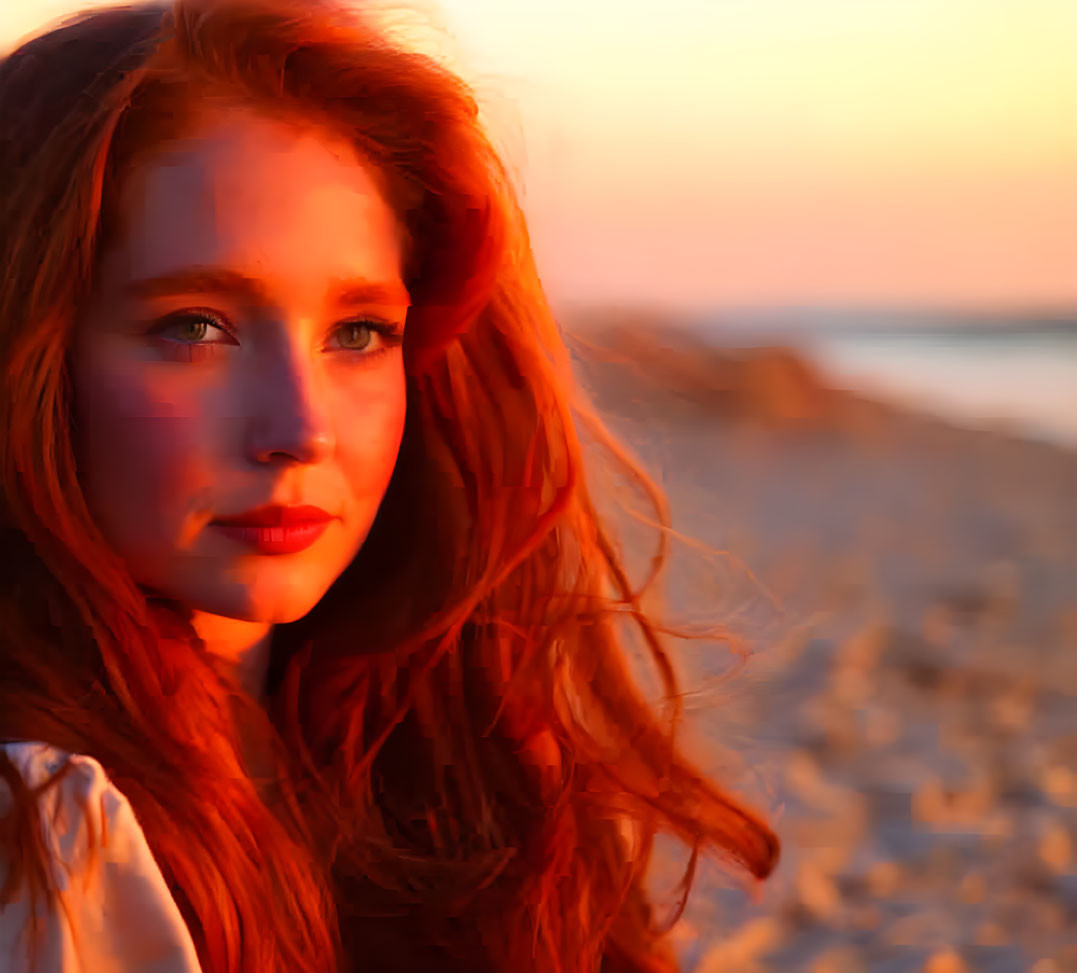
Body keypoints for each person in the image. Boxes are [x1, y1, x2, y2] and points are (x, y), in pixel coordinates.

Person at [0, 1, 780, 970]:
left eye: (358, 333)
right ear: (28, 349)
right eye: (196, 326)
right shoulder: (43, 827)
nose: (301, 428)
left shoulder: (441, 761)